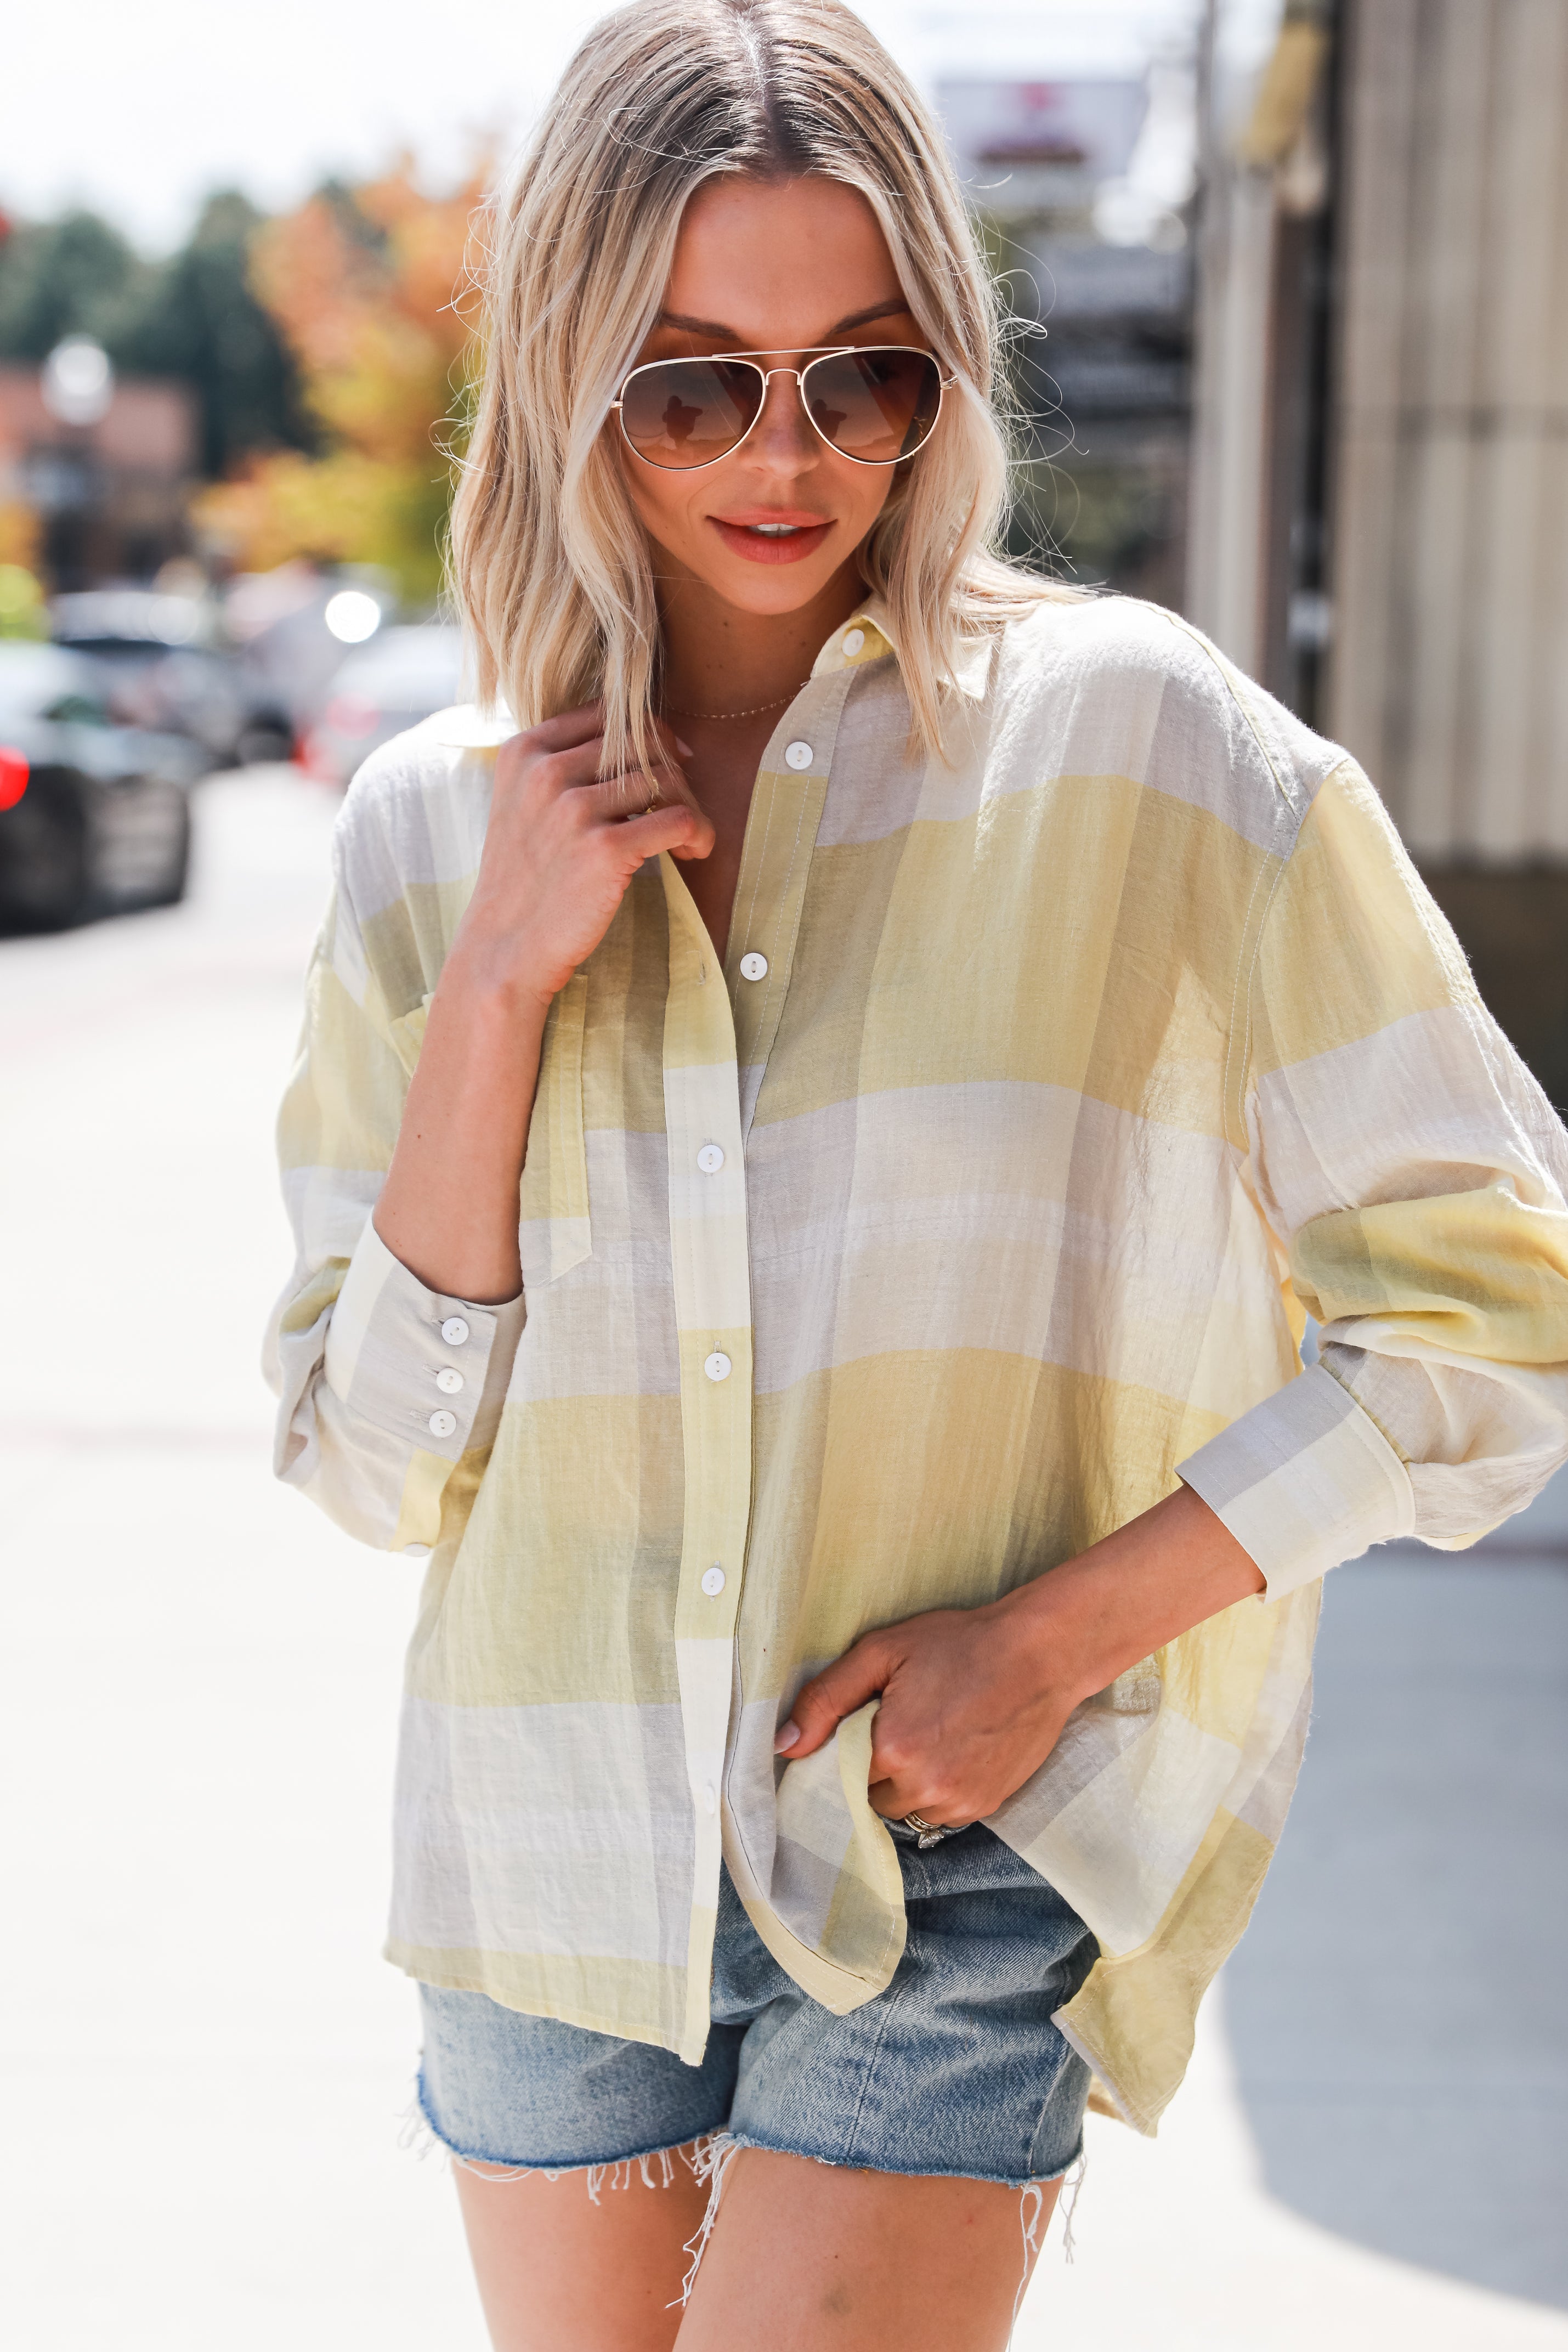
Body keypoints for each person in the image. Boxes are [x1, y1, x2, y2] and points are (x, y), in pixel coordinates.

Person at [264, 3, 1568, 2345]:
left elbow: (1498, 1316)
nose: (790, 454)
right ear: (569, 375)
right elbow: (371, 1461)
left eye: (860, 373)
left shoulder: (1162, 760)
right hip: (543, 1864)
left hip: (947, 1858)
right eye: (694, 383)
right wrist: (493, 998)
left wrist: (1053, 1639)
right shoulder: (431, 831)